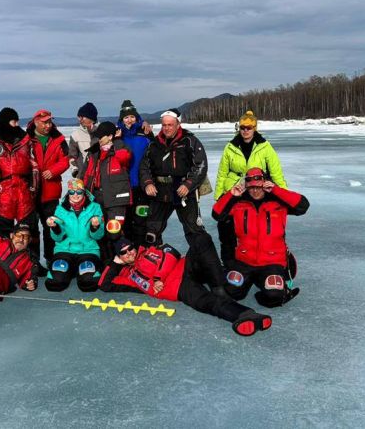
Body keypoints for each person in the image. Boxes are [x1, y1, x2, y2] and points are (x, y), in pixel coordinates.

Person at [98, 234, 273, 337]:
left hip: (186, 267)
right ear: (119, 256)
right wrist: (115, 263)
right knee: (206, 303)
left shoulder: (150, 251)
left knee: (201, 239)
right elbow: (104, 284)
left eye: (131, 248)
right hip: (178, 289)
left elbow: (172, 253)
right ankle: (246, 315)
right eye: (123, 252)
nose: (129, 253)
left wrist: (159, 277)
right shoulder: (130, 276)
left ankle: (219, 284)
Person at [211, 168, 309, 308]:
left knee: (273, 298)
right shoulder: (238, 203)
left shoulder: (279, 203)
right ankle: (251, 280)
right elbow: (217, 214)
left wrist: (276, 190)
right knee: (231, 292)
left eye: (258, 187)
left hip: (272, 262)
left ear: (264, 185)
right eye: (251, 188)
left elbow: (303, 206)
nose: (255, 191)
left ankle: (264, 283)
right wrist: (231, 195)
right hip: (244, 261)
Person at [214, 110, 287, 268]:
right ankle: (229, 265)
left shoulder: (265, 147)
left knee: (255, 229)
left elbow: (276, 172)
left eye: (249, 127)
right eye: (242, 127)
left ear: (255, 128)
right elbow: (222, 173)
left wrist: (283, 194)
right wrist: (220, 197)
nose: (245, 131)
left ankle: (270, 262)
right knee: (226, 230)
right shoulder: (230, 147)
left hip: (256, 192)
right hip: (235, 190)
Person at [139, 108, 209, 247]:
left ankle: (203, 264)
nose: (167, 128)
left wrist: (188, 184)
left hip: (182, 190)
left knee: (195, 232)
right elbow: (144, 167)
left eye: (170, 125)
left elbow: (200, 165)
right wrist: (147, 183)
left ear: (178, 124)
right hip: (160, 191)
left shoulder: (190, 141)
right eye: (164, 125)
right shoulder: (154, 144)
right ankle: (155, 263)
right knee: (152, 233)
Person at [0, 107, 40, 262]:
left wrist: (33, 187)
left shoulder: (24, 139)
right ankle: (5, 262)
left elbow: (33, 164)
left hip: (23, 189)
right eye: (13, 121)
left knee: (30, 230)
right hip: (3, 190)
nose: (17, 124)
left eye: (17, 121)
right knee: (4, 231)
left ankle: (32, 263)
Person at [81, 121, 132, 262]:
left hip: (116, 198)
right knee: (99, 231)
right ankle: (104, 263)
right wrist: (80, 186)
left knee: (114, 232)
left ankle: (119, 262)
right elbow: (85, 174)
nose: (98, 139)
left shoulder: (120, 149)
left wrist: (116, 141)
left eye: (101, 136)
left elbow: (125, 156)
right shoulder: (94, 152)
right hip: (96, 197)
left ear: (110, 136)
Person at [27, 109, 70, 271]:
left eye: (49, 122)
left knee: (51, 227)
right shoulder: (27, 139)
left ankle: (51, 258)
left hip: (51, 191)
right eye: (44, 122)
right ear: (36, 122)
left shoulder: (58, 139)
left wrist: (53, 170)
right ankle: (33, 261)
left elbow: (66, 160)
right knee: (32, 229)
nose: (48, 125)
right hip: (31, 192)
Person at [45, 179, 105, 291]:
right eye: (72, 192)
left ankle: (76, 269)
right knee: (55, 283)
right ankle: (71, 269)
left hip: (87, 249)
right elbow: (57, 238)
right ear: (68, 193)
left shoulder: (95, 207)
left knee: (88, 283)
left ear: (84, 192)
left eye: (79, 192)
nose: (75, 195)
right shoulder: (60, 209)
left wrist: (95, 226)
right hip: (65, 249)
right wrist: (54, 227)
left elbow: (98, 236)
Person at [116, 100, 154, 244]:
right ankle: (129, 252)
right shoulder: (117, 135)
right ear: (122, 119)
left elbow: (155, 154)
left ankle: (142, 250)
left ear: (137, 117)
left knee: (142, 220)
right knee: (126, 221)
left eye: (132, 116)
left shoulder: (145, 132)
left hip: (143, 184)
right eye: (126, 117)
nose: (129, 120)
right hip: (124, 185)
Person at [68, 102, 98, 177]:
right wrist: (75, 170)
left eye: (82, 117)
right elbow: (72, 156)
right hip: (83, 176)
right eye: (79, 117)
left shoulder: (101, 132)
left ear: (91, 118)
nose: (80, 119)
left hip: (100, 177)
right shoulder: (75, 135)